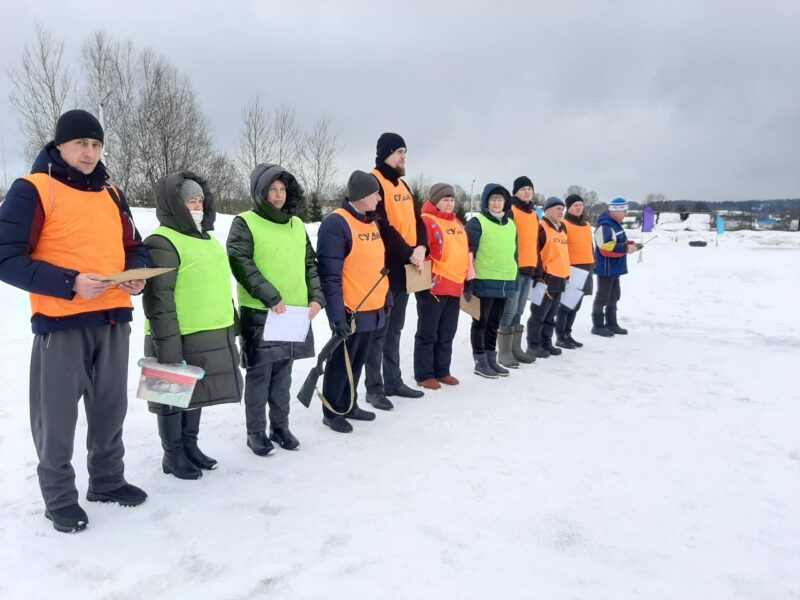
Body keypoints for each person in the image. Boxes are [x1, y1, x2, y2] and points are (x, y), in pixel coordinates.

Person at [0, 109, 151, 533]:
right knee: (57, 415)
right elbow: (6, 258)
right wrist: (70, 284)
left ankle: (106, 480)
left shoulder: (112, 193)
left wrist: (137, 273)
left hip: (113, 318)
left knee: (110, 408)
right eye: (82, 143)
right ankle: (60, 498)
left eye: (97, 144)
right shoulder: (33, 189)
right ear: (60, 145)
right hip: (61, 322)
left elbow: (133, 246)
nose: (90, 152)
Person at [143, 172, 243, 479]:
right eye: (190, 200)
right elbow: (159, 299)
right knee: (170, 398)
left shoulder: (207, 238)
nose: (197, 205)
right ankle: (172, 455)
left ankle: (190, 446)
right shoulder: (161, 241)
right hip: (172, 335)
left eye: (200, 199)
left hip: (207, 333)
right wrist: (166, 346)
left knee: (195, 393)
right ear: (174, 204)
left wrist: (232, 324)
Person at [227, 164, 324, 454]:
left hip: (294, 313)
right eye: (273, 189)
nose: (279, 195)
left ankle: (280, 426)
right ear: (261, 191)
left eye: (282, 189)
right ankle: (255, 432)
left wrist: (316, 297)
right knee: (260, 374)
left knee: (284, 373)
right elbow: (241, 262)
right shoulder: (245, 222)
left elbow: (309, 263)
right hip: (262, 311)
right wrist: (270, 296)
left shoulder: (296, 225)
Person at [316, 171, 390, 433]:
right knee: (340, 363)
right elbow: (330, 276)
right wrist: (337, 317)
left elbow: (378, 265)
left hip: (372, 308)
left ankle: (349, 403)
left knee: (357, 361)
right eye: (375, 194)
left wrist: (386, 298)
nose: (380, 198)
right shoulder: (336, 224)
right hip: (349, 311)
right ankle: (332, 410)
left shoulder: (371, 222)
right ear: (361, 196)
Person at [364, 133, 428, 410]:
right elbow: (382, 224)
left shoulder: (403, 184)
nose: (404, 156)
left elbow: (417, 220)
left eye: (405, 151)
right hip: (385, 268)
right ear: (386, 153)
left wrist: (422, 247)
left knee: (396, 328)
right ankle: (374, 388)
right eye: (399, 151)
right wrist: (408, 252)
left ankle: (393, 381)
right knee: (379, 330)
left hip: (406, 267)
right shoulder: (373, 180)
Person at [413, 183, 472, 389]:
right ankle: (424, 374)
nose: (449, 203)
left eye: (451, 199)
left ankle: (442, 370)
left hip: (455, 286)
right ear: (435, 201)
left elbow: (466, 252)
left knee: (447, 332)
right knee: (428, 332)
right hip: (433, 286)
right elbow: (419, 250)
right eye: (445, 199)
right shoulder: (427, 221)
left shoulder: (457, 222)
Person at [465, 184, 517, 379]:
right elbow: (469, 253)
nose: (496, 203)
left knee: (494, 322)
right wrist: (469, 281)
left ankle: (491, 357)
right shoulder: (477, 223)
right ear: (486, 202)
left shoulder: (511, 224)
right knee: (481, 322)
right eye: (493, 199)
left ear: (505, 202)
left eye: (500, 199)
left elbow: (515, 253)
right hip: (484, 279)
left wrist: (515, 276)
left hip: (505, 280)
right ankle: (480, 360)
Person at [497, 176, 539, 368]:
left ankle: (516, 349)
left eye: (529, 188)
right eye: (523, 189)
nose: (527, 192)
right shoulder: (511, 211)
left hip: (529, 268)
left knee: (520, 310)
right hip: (514, 269)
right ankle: (504, 352)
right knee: (509, 310)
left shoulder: (533, 214)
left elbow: (535, 242)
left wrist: (537, 267)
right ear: (515, 192)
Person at [526, 196, 570, 358]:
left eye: (562, 209)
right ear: (547, 211)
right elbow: (536, 252)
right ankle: (533, 345)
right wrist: (538, 276)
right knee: (539, 314)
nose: (561, 212)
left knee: (551, 315)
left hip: (560, 278)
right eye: (558, 208)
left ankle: (546, 343)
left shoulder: (562, 229)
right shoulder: (541, 227)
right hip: (546, 278)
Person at [592, 197, 641, 336]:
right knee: (603, 297)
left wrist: (631, 244)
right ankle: (598, 325)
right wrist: (626, 249)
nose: (626, 214)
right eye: (624, 211)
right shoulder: (605, 225)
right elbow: (605, 247)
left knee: (614, 296)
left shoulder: (615, 224)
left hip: (615, 268)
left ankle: (611, 323)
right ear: (615, 211)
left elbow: (617, 241)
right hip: (606, 268)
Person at [555, 193, 595, 348]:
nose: (578, 208)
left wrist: (593, 262)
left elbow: (589, 246)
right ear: (568, 208)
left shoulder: (586, 225)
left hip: (587, 268)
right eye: (574, 205)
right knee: (566, 305)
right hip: (572, 268)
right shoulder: (564, 224)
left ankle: (568, 333)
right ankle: (560, 336)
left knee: (577, 305)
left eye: (580, 205)